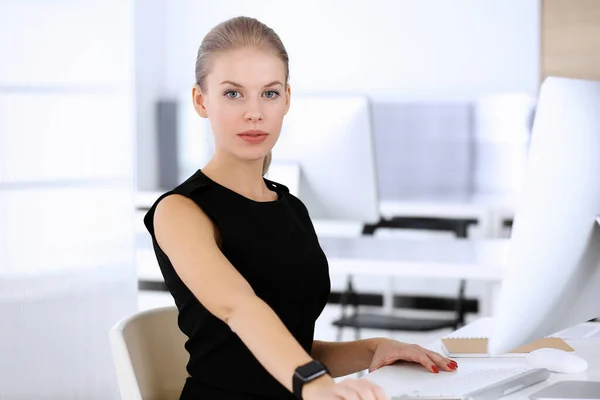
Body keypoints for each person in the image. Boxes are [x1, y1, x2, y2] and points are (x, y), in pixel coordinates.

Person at [144, 16, 458, 400]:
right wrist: (317, 386)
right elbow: (240, 309)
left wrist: (374, 349)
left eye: (270, 93)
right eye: (233, 93)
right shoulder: (179, 211)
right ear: (200, 101)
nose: (254, 112)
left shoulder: (290, 207)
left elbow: (291, 348)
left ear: (287, 99)